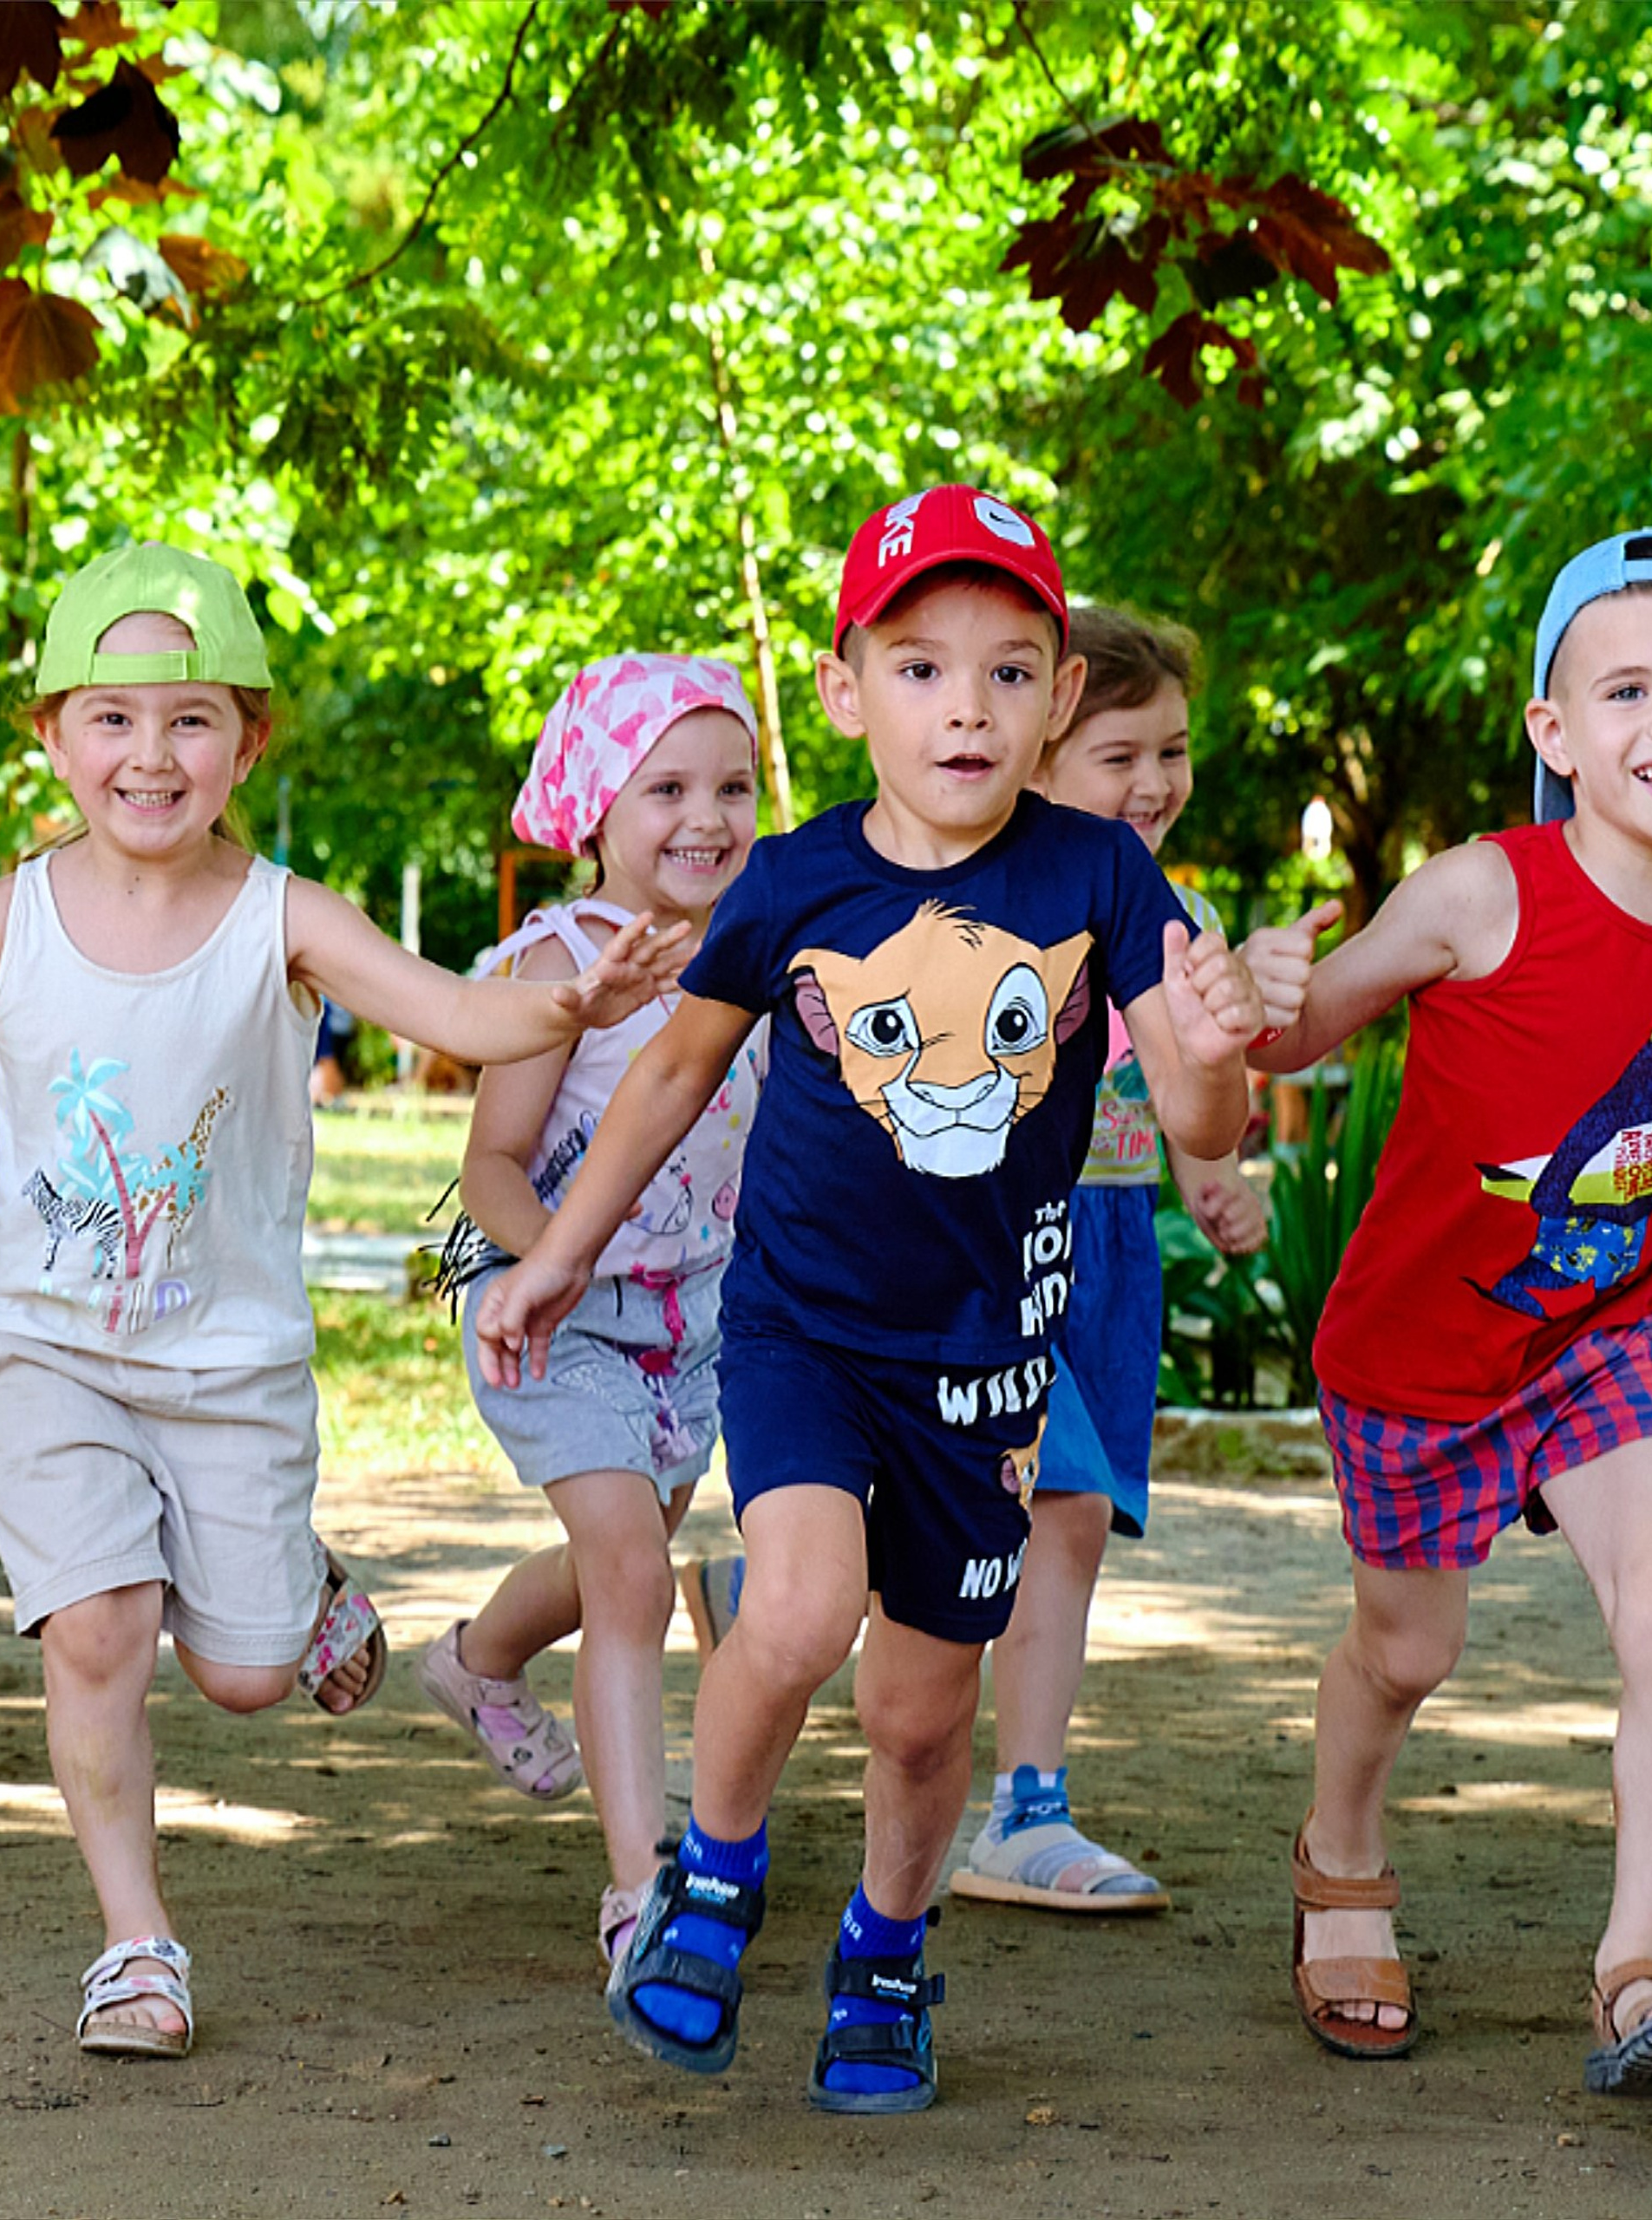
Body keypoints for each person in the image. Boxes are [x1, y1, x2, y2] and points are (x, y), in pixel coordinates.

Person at [0, 542, 684, 2064]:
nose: (150, 752)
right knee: (101, 1629)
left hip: (232, 1368)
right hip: (50, 1352)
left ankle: (299, 1590)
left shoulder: (285, 916)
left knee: (249, 1681)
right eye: (111, 718)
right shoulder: (11, 918)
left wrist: (573, 1005)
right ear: (50, 736)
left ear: (246, 741)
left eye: (191, 718)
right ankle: (137, 1947)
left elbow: (450, 1012)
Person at [473, 486, 1263, 2113]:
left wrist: (1218, 1038)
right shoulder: (791, 882)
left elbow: (1199, 1124)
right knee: (793, 1606)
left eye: (1004, 670)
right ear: (847, 691)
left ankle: (887, 1950)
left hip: (983, 1363)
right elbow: (671, 1082)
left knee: (919, 1717)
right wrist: (550, 1259)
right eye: (917, 667)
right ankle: (712, 1873)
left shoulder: (1104, 874)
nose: (961, 705)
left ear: (1055, 697)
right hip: (801, 1334)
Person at [679, 610, 1269, 1915]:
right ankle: (937, 1819)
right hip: (882, 1298)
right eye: (1122, 757)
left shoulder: (1139, 897)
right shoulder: (860, 888)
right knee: (929, 1562)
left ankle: (899, 1910)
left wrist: (1220, 1134)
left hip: (1062, 1274)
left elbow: (1197, 1107)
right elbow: (698, 1063)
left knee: (993, 1610)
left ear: (1039, 701)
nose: (1155, 785)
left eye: (1173, 753)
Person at [1244, 527, 1652, 2097]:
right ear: (1554, 735)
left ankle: (1639, 1973)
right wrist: (1250, 992)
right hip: (1419, 1360)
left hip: (1603, 1338)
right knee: (1408, 1652)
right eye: (1631, 689)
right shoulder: (1480, 894)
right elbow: (1306, 1022)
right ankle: (1343, 1853)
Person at [419, 654, 765, 1969]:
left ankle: (474, 1661)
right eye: (666, 786)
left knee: (608, 1569)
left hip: (700, 1323)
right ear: (595, 808)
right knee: (630, 1576)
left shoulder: (764, 955)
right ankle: (643, 1895)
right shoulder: (559, 964)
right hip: (553, 1314)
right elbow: (491, 1167)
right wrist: (548, 1262)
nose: (706, 817)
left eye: (732, 787)